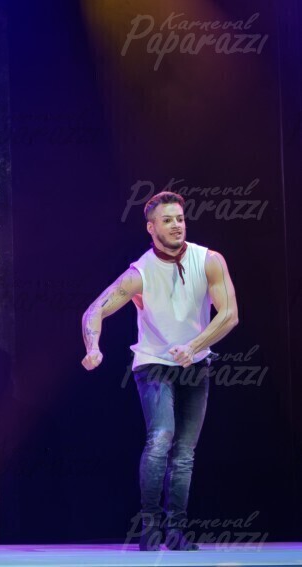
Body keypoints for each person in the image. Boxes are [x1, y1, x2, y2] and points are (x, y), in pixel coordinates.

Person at [80, 191, 239, 551]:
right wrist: (93, 347)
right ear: (151, 228)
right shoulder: (140, 273)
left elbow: (230, 314)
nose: (177, 225)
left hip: (194, 363)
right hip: (154, 362)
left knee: (185, 452)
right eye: (167, 220)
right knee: (161, 437)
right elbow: (95, 310)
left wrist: (194, 347)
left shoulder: (209, 260)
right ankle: (151, 527)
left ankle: (177, 531)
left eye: (180, 218)